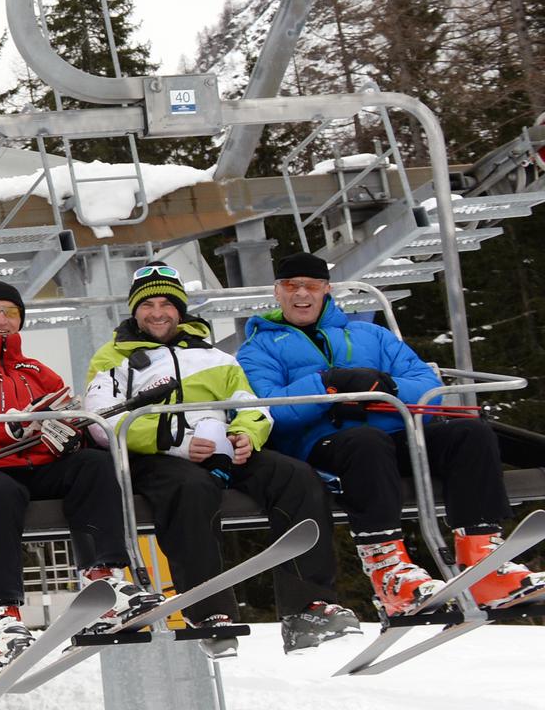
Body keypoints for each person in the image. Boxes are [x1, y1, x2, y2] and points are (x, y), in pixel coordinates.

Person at [0, 226, 161, 682]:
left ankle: (103, 579)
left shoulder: (34, 369)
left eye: (10, 312)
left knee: (92, 466)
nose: (2, 320)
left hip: (39, 466)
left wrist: (69, 428)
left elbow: (70, 414)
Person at [237, 251, 545, 615]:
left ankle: (482, 557)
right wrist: (326, 388)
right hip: (323, 442)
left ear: (327, 290)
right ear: (278, 292)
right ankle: (389, 571)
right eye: (292, 286)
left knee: (470, 434)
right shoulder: (258, 348)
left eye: (312, 285)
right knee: (366, 443)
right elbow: (267, 407)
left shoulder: (372, 335)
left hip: (396, 433)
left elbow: (426, 384)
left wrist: (389, 387)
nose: (301, 294)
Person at [84, 262, 359, 655]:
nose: (157, 312)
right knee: (190, 488)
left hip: (221, 449)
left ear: (180, 309)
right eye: (148, 305)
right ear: (135, 310)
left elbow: (251, 405)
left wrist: (245, 434)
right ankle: (209, 612)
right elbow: (101, 421)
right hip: (155, 455)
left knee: (296, 478)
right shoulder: (111, 359)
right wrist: (175, 442)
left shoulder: (216, 357)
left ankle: (307, 606)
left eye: (166, 303)